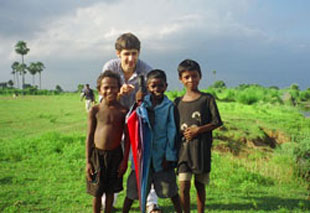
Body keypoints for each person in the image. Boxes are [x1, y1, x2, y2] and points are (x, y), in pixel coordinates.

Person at [101, 32, 161, 213]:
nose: (130, 58)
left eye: (134, 53)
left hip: (139, 124)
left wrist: (141, 99)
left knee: (143, 161)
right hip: (116, 121)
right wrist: (118, 94)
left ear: (139, 52)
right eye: (126, 54)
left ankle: (151, 202)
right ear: (118, 53)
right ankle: (110, 198)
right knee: (113, 160)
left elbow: (155, 100)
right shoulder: (110, 68)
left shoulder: (146, 70)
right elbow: (102, 99)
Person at [123, 69, 182, 213]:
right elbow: (131, 121)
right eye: (153, 86)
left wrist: (169, 156)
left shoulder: (169, 107)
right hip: (142, 157)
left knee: (171, 190)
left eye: (160, 86)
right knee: (133, 191)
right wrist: (138, 103)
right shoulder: (142, 102)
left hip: (161, 157)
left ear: (166, 86)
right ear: (148, 87)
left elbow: (172, 133)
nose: (157, 89)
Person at [174, 59, 223, 213]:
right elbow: (174, 127)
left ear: (200, 76)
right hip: (183, 151)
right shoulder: (177, 102)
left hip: (201, 149)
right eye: (187, 77)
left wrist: (198, 130)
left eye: (194, 76)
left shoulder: (207, 99)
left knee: (200, 186)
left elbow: (217, 122)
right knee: (183, 186)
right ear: (180, 79)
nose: (191, 80)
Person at [85, 71, 130, 213]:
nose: (110, 90)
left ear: (119, 88)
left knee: (111, 191)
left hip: (116, 155)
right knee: (96, 192)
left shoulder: (123, 111)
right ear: (99, 90)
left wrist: (124, 161)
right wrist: (88, 161)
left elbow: (128, 138)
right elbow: (90, 136)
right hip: (97, 156)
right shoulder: (95, 110)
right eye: (106, 87)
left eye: (113, 87)